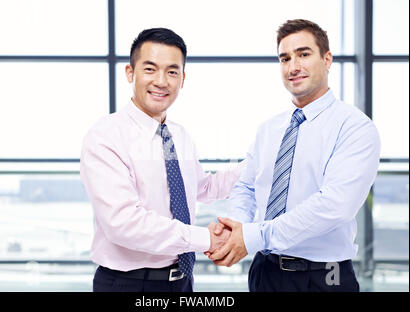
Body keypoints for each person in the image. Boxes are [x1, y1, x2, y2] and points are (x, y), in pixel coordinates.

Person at [208, 19, 381, 292]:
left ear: (327, 59)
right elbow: (246, 185)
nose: (293, 66)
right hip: (265, 272)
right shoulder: (269, 129)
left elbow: (334, 206)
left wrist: (254, 236)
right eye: (285, 58)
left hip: (324, 277)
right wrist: (237, 227)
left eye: (303, 54)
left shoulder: (355, 127)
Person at [80, 28, 243, 292]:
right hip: (127, 284)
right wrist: (205, 239)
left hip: (181, 282)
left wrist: (257, 164)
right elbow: (124, 223)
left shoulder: (179, 135)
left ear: (183, 79)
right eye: (150, 69)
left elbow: (202, 188)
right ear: (130, 73)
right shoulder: (106, 136)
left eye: (172, 71)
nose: (161, 81)